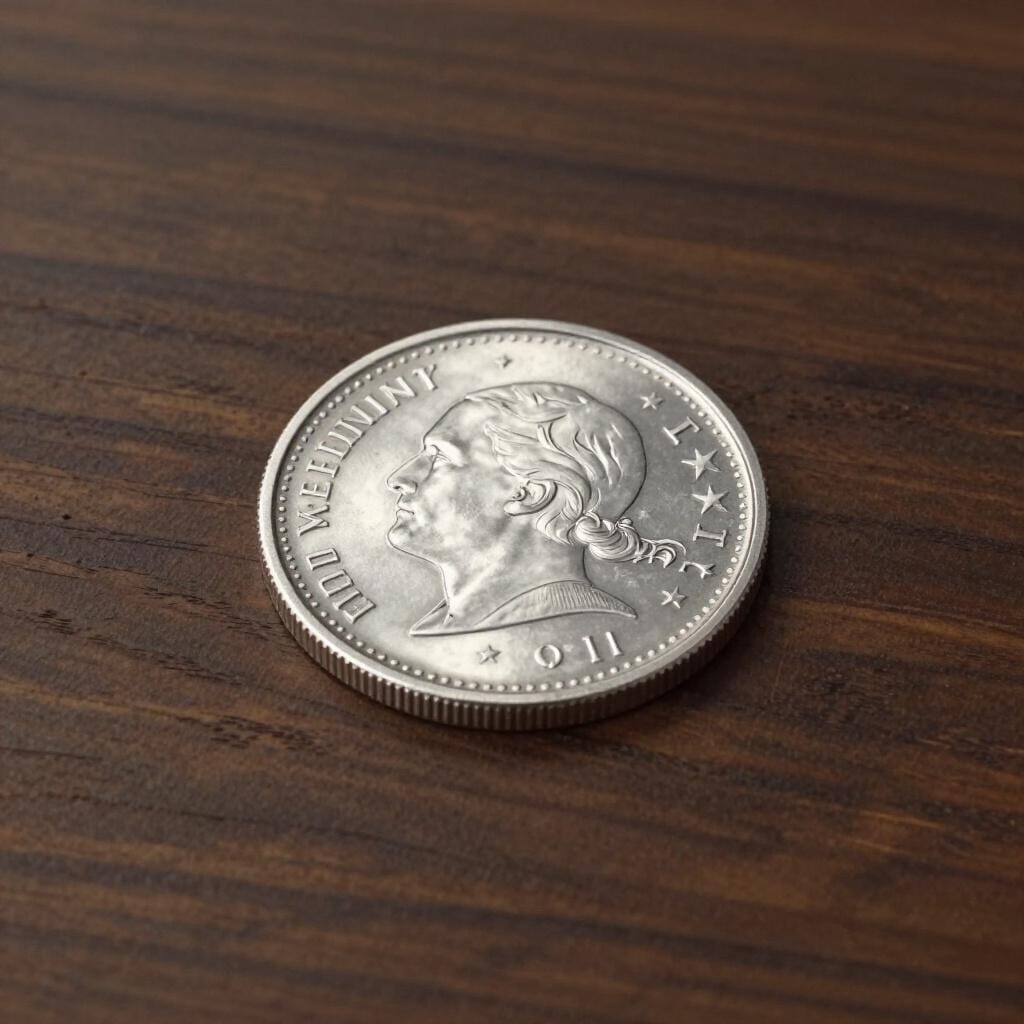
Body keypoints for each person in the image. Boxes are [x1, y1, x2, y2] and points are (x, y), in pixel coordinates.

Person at [386, 382, 683, 636]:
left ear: (530, 493)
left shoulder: (580, 623)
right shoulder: (446, 623)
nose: (399, 479)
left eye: (440, 458)